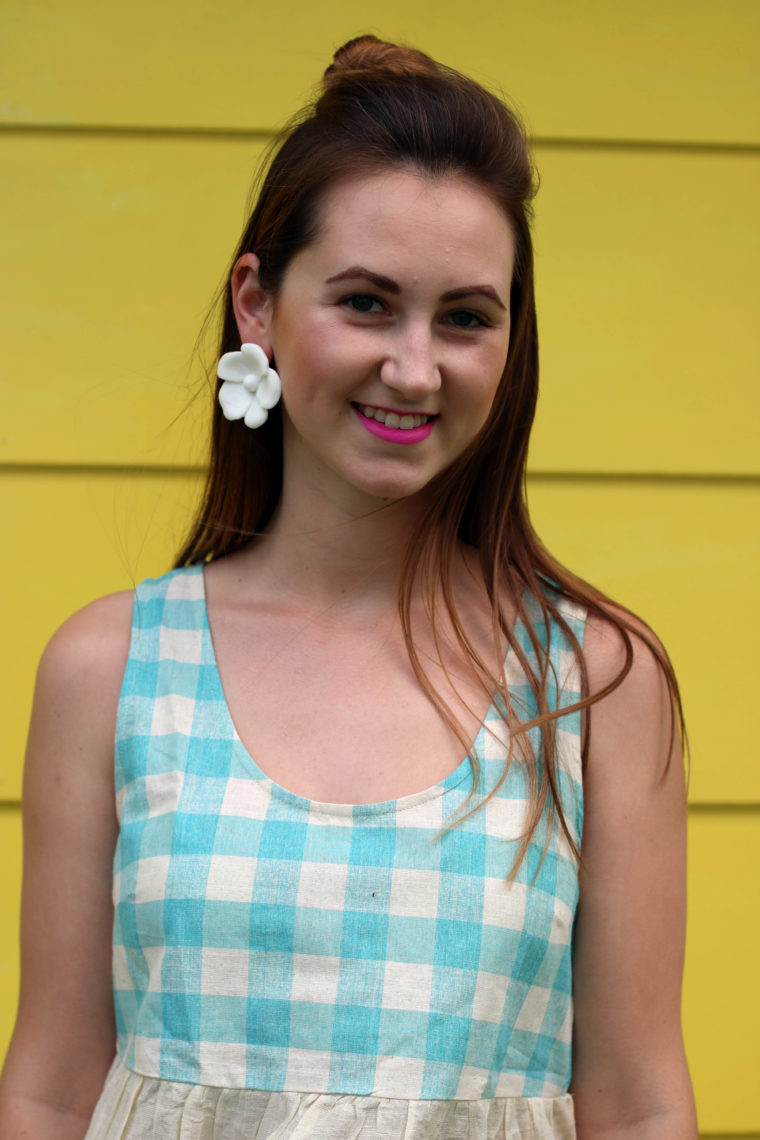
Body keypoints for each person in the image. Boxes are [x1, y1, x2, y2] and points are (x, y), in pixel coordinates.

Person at [0, 34, 697, 1140]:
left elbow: (639, 1102)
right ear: (257, 304)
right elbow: (46, 1089)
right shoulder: (110, 668)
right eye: (366, 303)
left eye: (466, 317)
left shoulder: (594, 685)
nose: (415, 368)